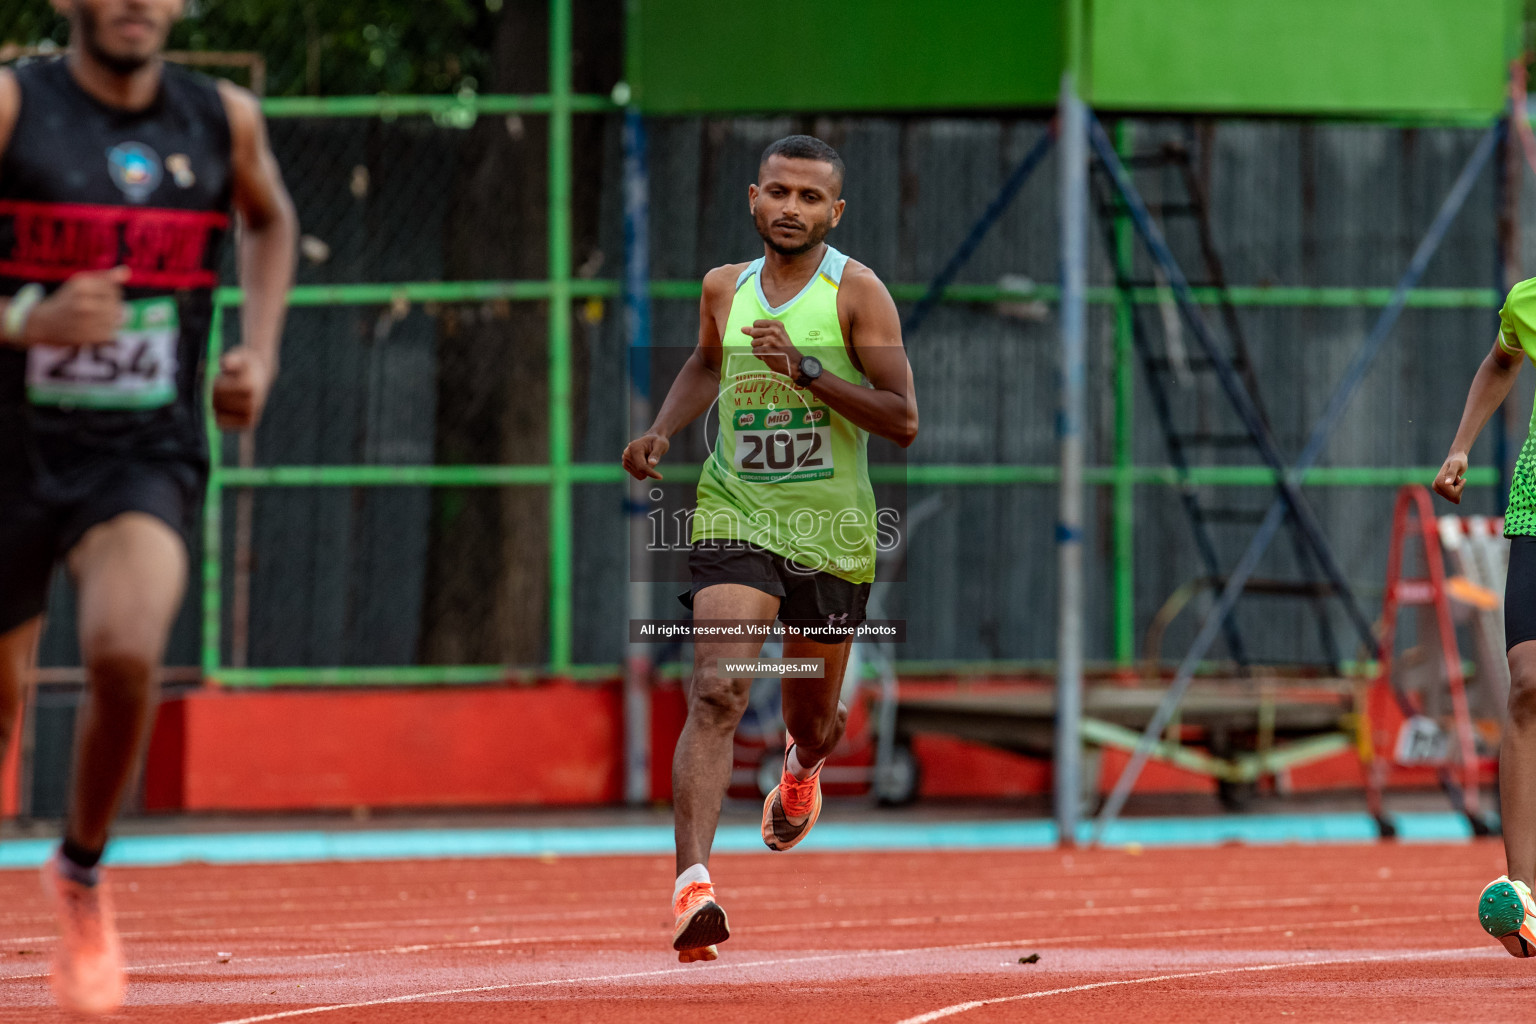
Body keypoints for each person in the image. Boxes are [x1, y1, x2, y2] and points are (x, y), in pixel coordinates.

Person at [0, 0, 296, 1012]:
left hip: (141, 450)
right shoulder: (11, 106)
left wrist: (255, 347)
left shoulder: (222, 120)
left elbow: (269, 220)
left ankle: (79, 872)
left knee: (127, 650)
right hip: (7, 449)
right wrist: (23, 320)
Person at [622, 134, 917, 963]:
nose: (791, 208)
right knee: (719, 687)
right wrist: (660, 429)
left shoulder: (858, 295)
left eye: (810, 197)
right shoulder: (724, 287)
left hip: (830, 531)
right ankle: (693, 887)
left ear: (835, 212)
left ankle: (802, 769)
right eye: (778, 193)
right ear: (754, 199)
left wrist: (812, 374)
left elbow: (903, 419)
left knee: (812, 717)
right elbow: (705, 363)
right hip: (734, 511)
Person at [1436, 278, 1536, 958]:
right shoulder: (1529, 300)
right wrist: (1461, 444)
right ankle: (1525, 894)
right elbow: (1502, 361)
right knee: (1527, 680)